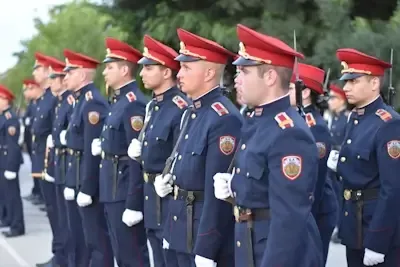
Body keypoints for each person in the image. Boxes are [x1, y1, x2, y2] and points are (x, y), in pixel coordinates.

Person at [213, 24, 323, 267]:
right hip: (251, 244)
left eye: (244, 72)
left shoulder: (289, 133)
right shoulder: (257, 121)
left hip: (274, 253)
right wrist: (234, 186)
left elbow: (289, 219)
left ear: (271, 77)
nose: (237, 79)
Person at [154, 28, 242, 267]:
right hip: (179, 228)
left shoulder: (224, 118)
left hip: (198, 237)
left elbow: (217, 195)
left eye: (186, 68)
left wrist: (207, 248)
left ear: (209, 72)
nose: (179, 74)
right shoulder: (190, 113)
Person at [327, 48, 400, 267]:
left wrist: (378, 241)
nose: (346, 88)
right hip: (354, 227)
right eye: (345, 82)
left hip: (377, 230)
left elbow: (393, 188)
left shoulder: (388, 123)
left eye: (354, 81)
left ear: (374, 83)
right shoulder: (355, 119)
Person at [128, 34, 188, 267]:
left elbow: (179, 156)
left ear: (166, 72)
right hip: (150, 194)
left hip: (168, 197)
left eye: (148, 68)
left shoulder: (178, 107)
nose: (141, 73)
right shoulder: (152, 105)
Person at [95, 37, 150, 267]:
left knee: (131, 256)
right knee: (120, 252)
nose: (105, 72)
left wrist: (133, 203)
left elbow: (136, 158)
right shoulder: (118, 101)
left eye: (110, 67)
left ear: (125, 69)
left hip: (123, 188)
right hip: (111, 186)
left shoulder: (133, 103)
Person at [62, 49, 114, 267]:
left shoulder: (92, 102)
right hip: (76, 176)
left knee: (96, 241)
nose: (65, 77)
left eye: (70, 72)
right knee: (81, 236)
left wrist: (87, 187)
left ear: (82, 75)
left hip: (86, 180)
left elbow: (91, 152)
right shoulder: (80, 100)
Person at [288, 63, 338, 265]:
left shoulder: (314, 127)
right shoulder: (295, 119)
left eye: (290, 88)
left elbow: (314, 181)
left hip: (317, 211)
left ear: (305, 92)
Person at [31, 52, 64, 267]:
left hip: (52, 161)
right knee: (53, 213)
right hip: (45, 162)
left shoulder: (53, 98)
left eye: (37, 68)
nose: (35, 73)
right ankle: (58, 254)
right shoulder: (45, 97)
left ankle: (61, 256)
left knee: (60, 214)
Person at [43, 56, 73, 267]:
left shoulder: (70, 102)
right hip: (58, 166)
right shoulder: (61, 103)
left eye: (55, 77)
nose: (51, 81)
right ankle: (61, 258)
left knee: (70, 225)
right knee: (60, 220)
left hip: (69, 169)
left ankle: (65, 259)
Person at [0, 84, 25, 237]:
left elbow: (13, 146)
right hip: (2, 160)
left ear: (5, 100)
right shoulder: (3, 116)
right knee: (4, 194)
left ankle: (17, 226)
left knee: (12, 195)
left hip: (8, 161)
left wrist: (11, 166)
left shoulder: (10, 119)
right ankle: (7, 218)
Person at [327, 83, 348, 244]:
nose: (330, 101)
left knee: (341, 196)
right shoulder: (334, 118)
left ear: (342, 100)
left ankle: (341, 227)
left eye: (333, 97)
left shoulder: (346, 118)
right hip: (332, 163)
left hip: (341, 163)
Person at [22, 79, 44, 205]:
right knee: (35, 167)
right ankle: (36, 191)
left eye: (29, 89)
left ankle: (40, 194)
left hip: (37, 141)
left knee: (39, 169)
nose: (26, 92)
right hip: (31, 140)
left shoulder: (38, 103)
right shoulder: (32, 103)